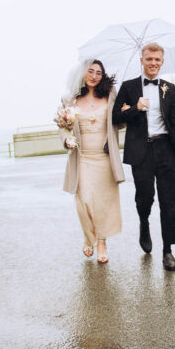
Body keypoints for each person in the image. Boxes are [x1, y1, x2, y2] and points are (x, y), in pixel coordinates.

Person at [111, 43, 175, 271]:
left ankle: (167, 251)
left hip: (166, 150)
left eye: (157, 59)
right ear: (142, 60)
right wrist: (135, 107)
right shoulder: (128, 87)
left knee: (168, 202)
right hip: (141, 151)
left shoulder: (169, 88)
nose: (153, 63)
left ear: (162, 62)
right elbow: (115, 117)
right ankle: (144, 222)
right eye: (149, 59)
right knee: (145, 198)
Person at [58, 59, 125, 264]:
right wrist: (66, 139)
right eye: (90, 71)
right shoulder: (70, 99)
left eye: (98, 72)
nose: (94, 76)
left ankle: (101, 242)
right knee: (84, 202)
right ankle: (89, 237)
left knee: (103, 204)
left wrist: (126, 111)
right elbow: (62, 126)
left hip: (105, 158)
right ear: (83, 74)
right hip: (83, 157)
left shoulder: (110, 95)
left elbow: (120, 124)